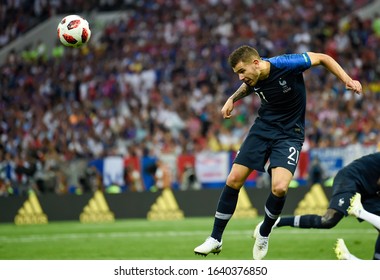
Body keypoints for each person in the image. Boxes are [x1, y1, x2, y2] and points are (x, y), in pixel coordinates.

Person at [193, 45, 362, 260]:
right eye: (237, 73)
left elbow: (323, 58)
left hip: (290, 133)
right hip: (263, 128)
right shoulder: (254, 77)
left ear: (256, 63)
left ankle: (264, 232)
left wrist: (346, 79)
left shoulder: (286, 64)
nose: (240, 77)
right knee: (234, 178)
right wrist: (232, 99)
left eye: (242, 71)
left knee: (280, 187)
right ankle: (215, 238)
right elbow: (249, 87)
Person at [275, 152, 380, 260]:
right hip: (351, 179)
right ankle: (278, 222)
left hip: (369, 190)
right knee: (328, 220)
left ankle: (356, 260)